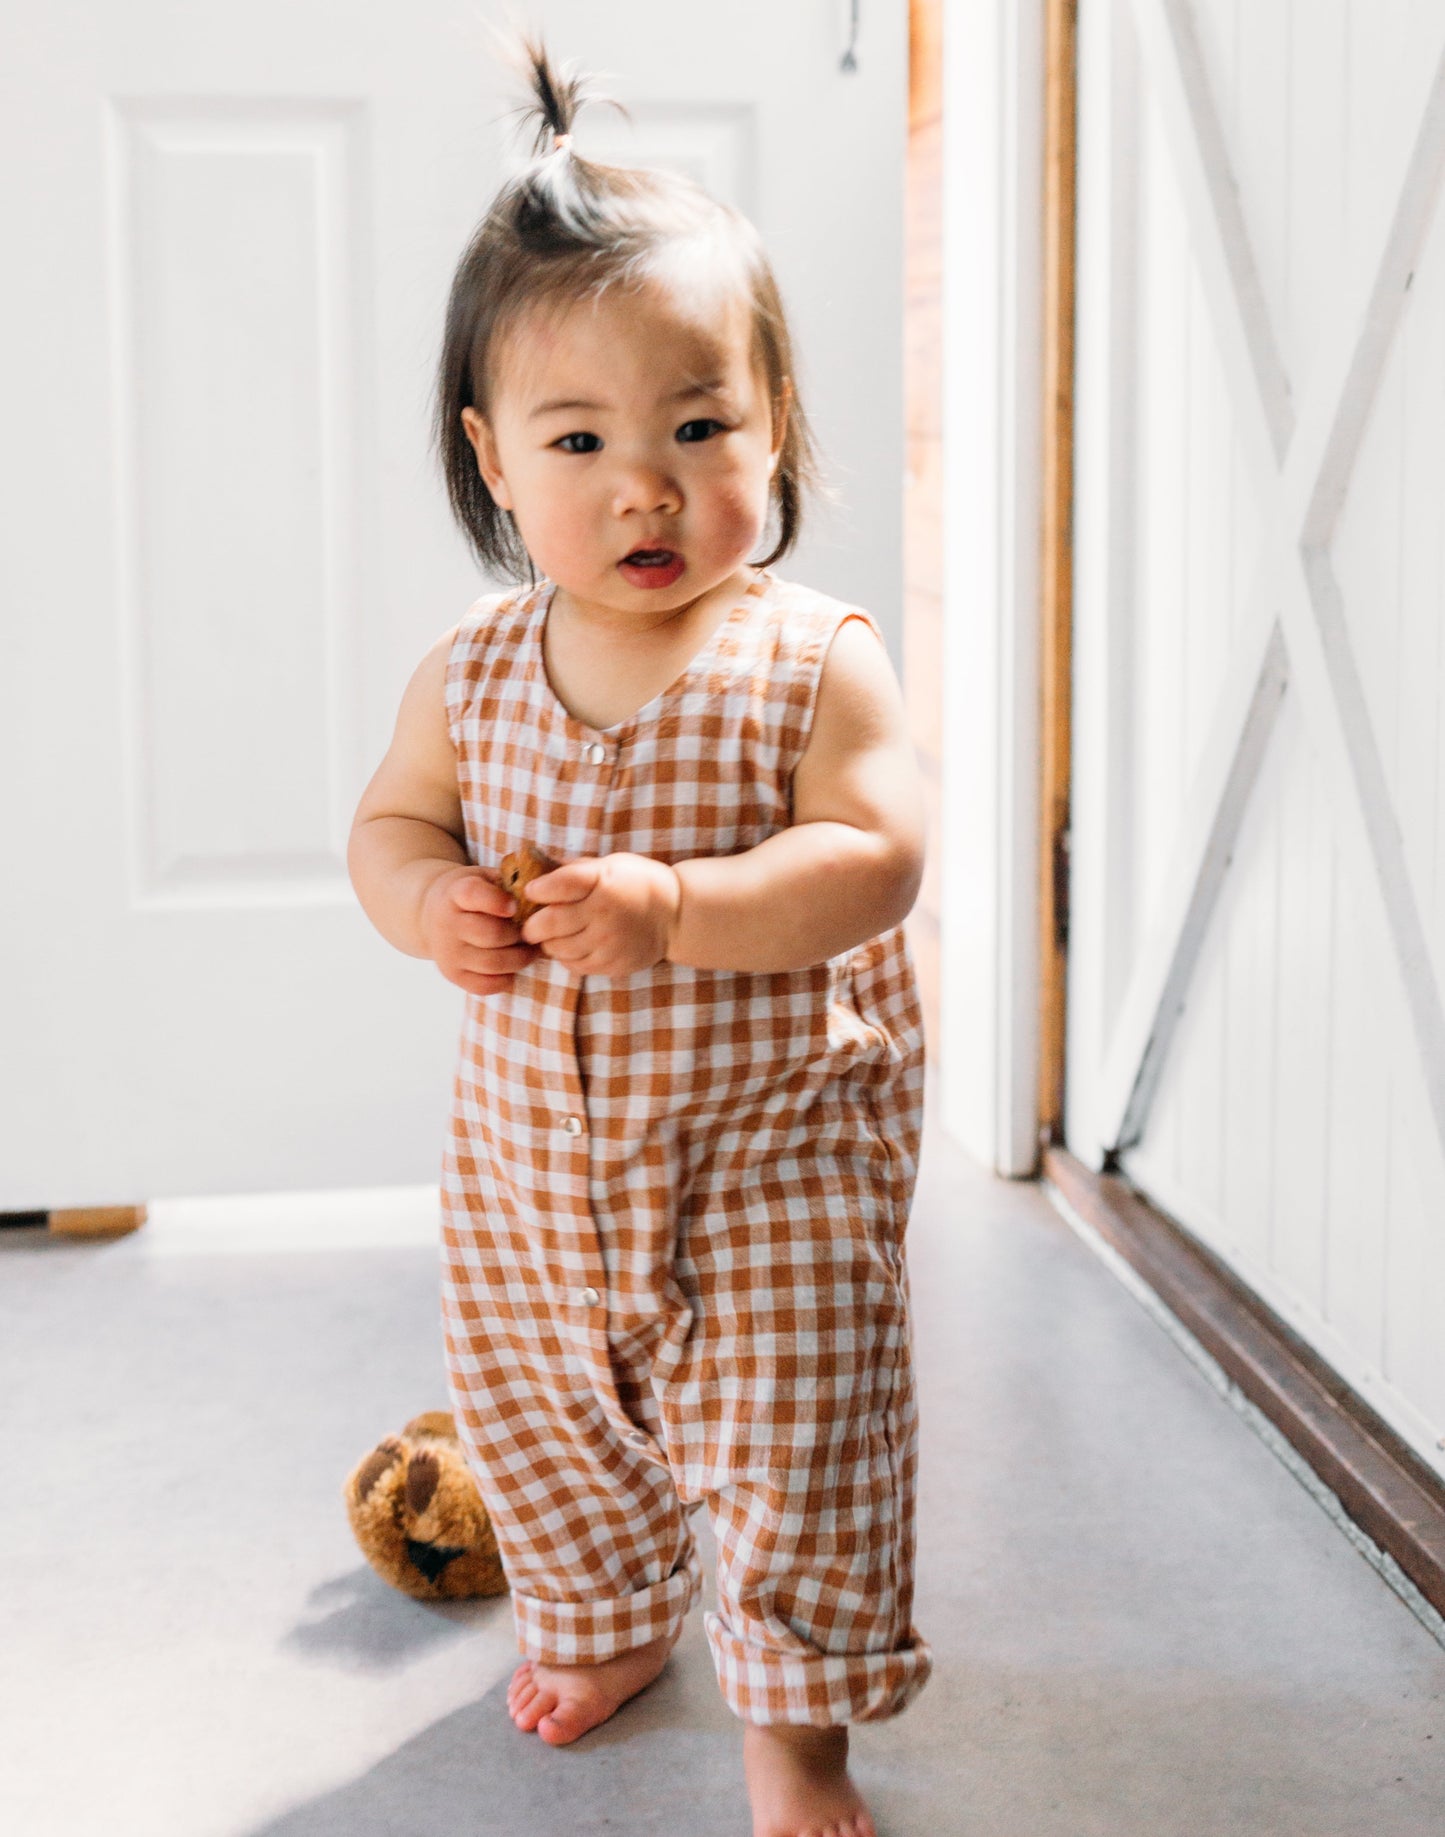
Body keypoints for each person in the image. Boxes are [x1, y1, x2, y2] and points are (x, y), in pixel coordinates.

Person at [347, 37, 931, 1837]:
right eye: (579, 441)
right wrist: (427, 900)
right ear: (492, 459)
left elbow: (877, 857)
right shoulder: (470, 674)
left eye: (696, 427)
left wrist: (679, 906)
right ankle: (603, 1617)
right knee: (546, 1420)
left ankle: (798, 1729)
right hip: (532, 1181)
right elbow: (389, 828)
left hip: (769, 1165)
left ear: (775, 421)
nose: (645, 487)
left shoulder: (807, 659)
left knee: (793, 1441)